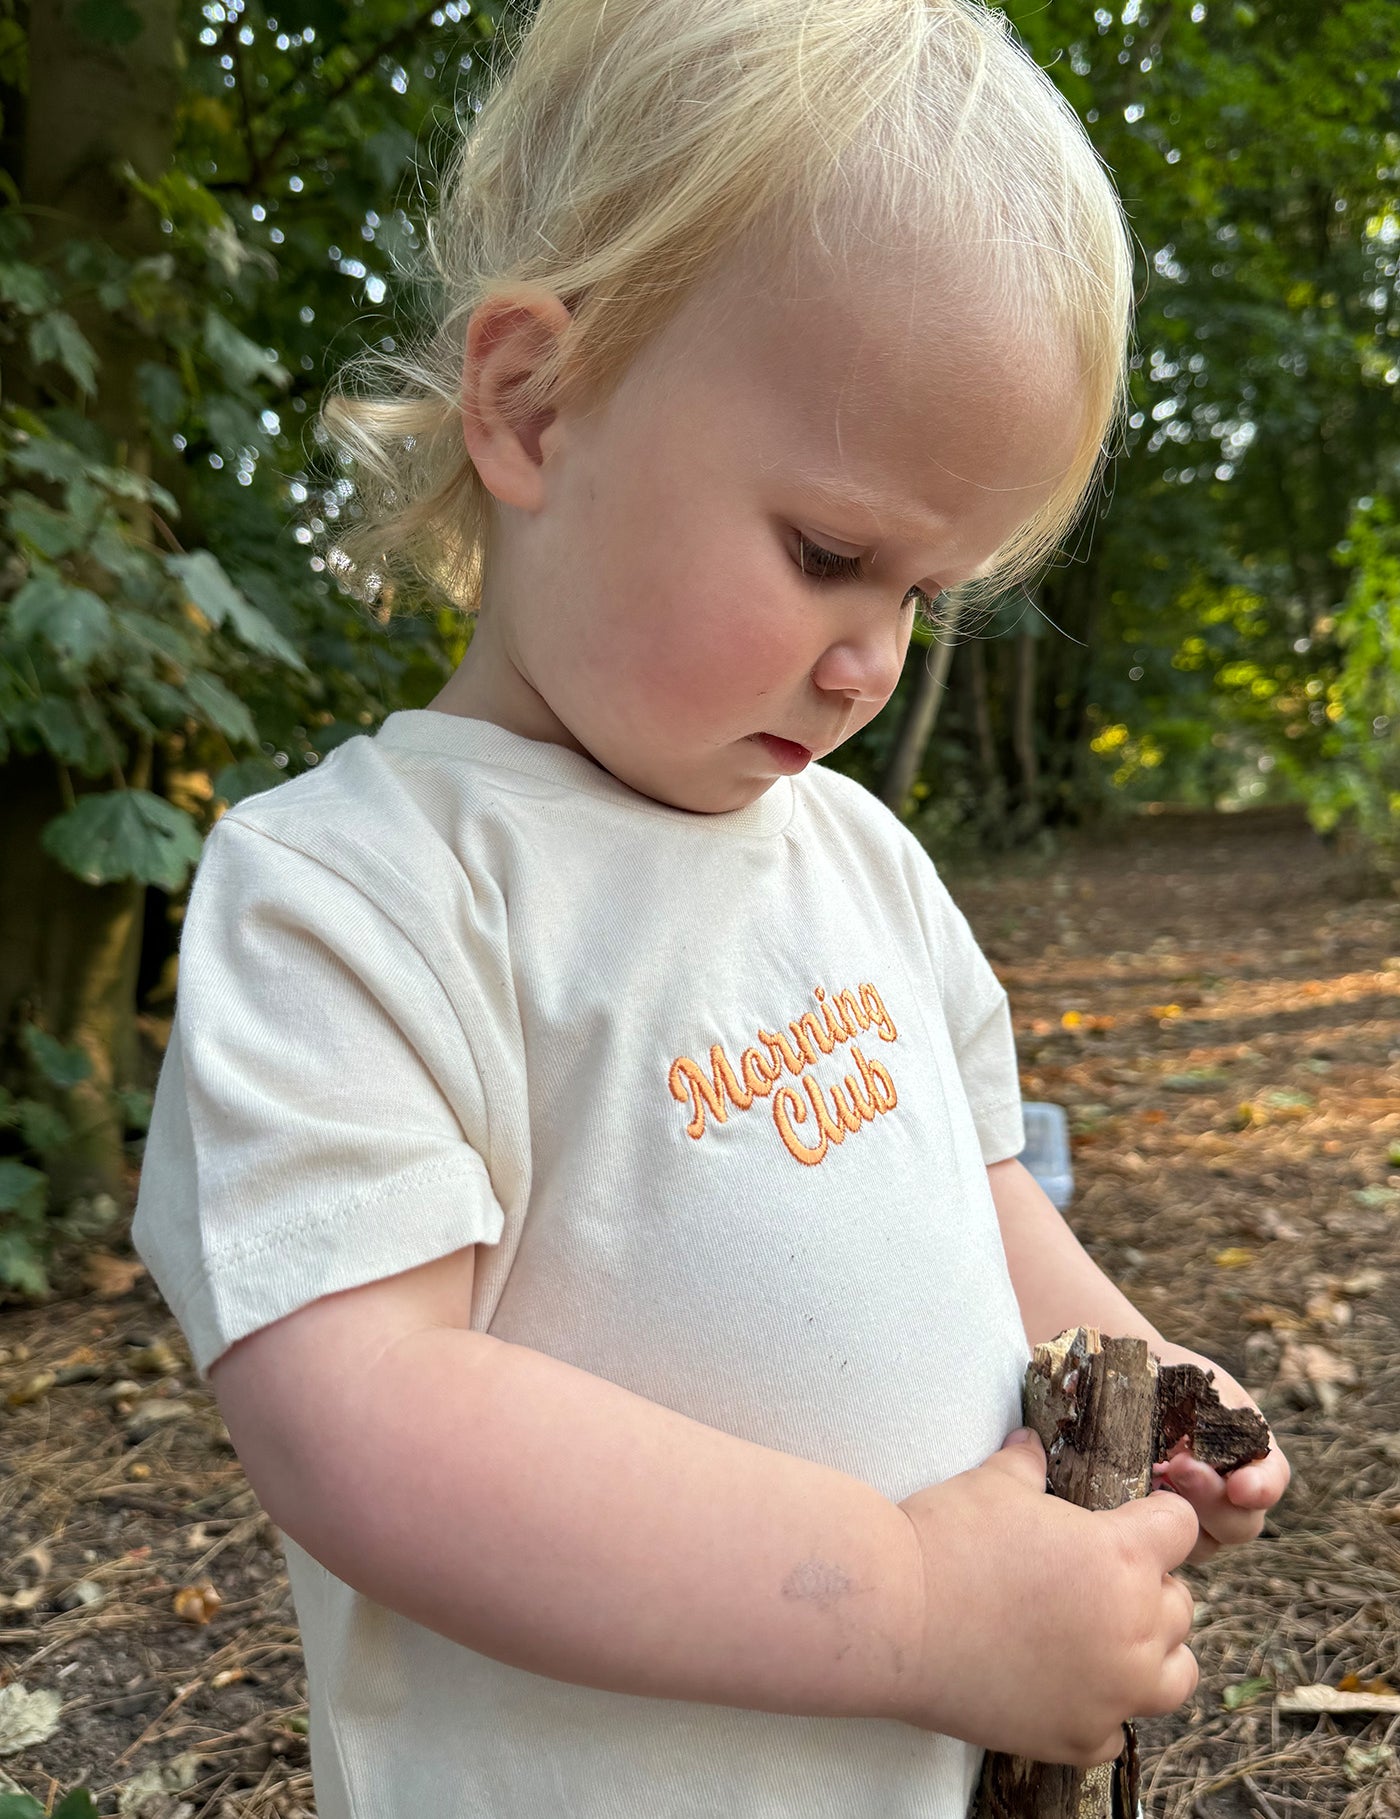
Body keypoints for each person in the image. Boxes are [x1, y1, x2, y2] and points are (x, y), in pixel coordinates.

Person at [131, 2, 1291, 1814]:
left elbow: (977, 1196)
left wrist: (1128, 1377)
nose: (868, 664)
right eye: (832, 554)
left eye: (927, 594)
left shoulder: (862, 865)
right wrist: (916, 1604)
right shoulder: (355, 900)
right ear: (535, 403)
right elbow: (368, 1424)